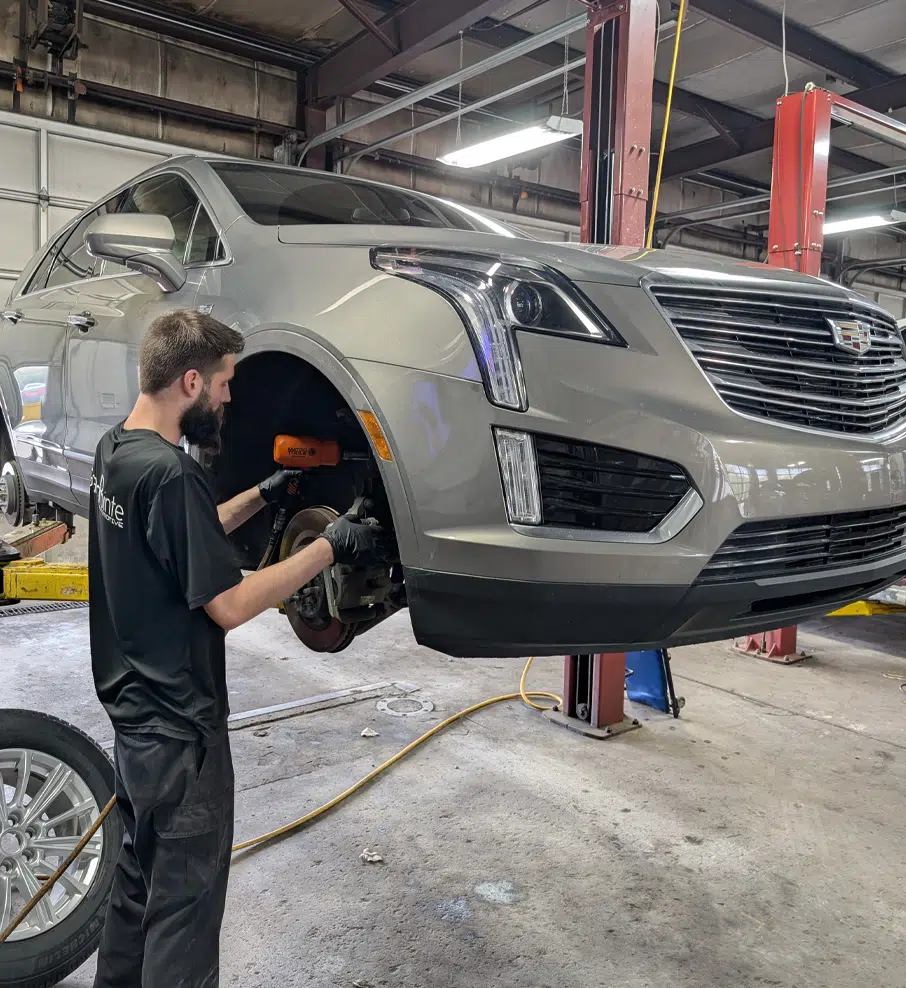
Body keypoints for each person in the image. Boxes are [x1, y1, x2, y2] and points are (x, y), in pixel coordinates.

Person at [89, 308, 385, 988]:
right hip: (183, 738)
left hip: (133, 727)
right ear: (190, 381)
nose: (229, 396)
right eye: (223, 382)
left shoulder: (119, 453)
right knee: (183, 925)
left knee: (134, 898)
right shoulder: (173, 475)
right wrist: (326, 547)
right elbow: (228, 605)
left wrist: (264, 493)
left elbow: (182, 533)